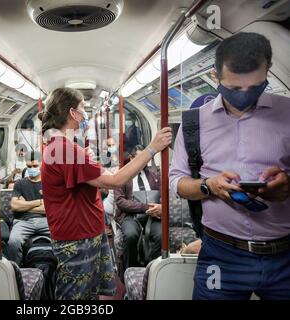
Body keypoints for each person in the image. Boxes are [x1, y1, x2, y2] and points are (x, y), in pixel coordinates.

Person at [170, 32, 290, 300]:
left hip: (285, 256)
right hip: (222, 254)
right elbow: (177, 182)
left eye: (255, 87)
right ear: (215, 77)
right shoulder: (193, 124)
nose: (245, 95)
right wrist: (209, 185)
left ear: (267, 71)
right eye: (235, 89)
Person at [39, 87, 171, 300]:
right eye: (83, 108)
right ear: (72, 113)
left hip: (87, 232)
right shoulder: (65, 149)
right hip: (77, 237)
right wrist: (151, 149)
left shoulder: (64, 147)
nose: (86, 115)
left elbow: (95, 178)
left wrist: (86, 157)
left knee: (95, 294)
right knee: (75, 298)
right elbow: (114, 181)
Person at [114, 145, 161, 272]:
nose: (143, 162)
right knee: (131, 235)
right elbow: (120, 202)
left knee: (161, 234)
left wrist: (160, 207)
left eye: (146, 159)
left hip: (153, 215)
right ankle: (130, 270)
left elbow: (162, 195)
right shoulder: (122, 175)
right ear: (131, 158)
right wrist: (144, 207)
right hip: (130, 216)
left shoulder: (154, 175)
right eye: (140, 158)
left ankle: (152, 270)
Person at [7, 151, 50, 265]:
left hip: (46, 221)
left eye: (35, 166)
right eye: (29, 166)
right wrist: (39, 201)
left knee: (63, 236)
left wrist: (25, 205)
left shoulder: (49, 183)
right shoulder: (20, 184)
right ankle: (16, 271)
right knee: (13, 242)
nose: (32, 169)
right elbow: (14, 206)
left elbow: (50, 208)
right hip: (24, 222)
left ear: (42, 164)